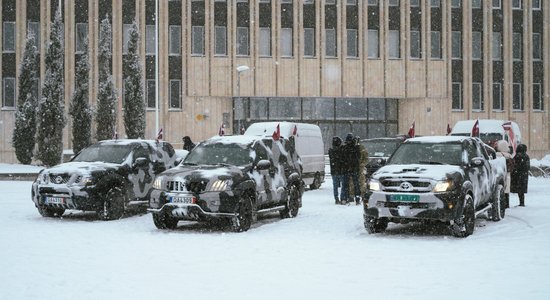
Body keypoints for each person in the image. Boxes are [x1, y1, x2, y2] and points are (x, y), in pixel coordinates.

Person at [342, 133, 362, 205]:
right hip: (353, 168)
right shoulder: (355, 147)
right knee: (355, 184)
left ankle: (347, 198)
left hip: (347, 168)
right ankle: (357, 198)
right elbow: (358, 157)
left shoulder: (345, 148)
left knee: (347, 184)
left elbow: (343, 158)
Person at [495, 140, 513, 208]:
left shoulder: (497, 155)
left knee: (500, 189)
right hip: (508, 174)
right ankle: (507, 204)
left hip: (500, 173)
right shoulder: (509, 155)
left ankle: (502, 204)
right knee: (507, 190)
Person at [328, 137, 344, 204]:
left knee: (335, 186)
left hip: (334, 171)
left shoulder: (331, 151)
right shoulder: (341, 151)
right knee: (343, 185)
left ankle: (336, 198)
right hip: (340, 170)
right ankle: (342, 198)